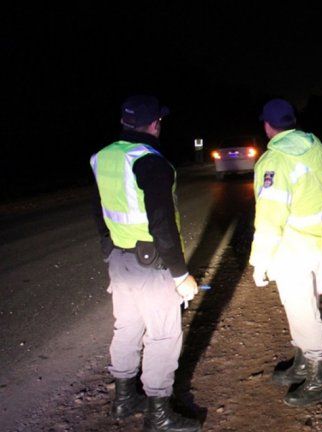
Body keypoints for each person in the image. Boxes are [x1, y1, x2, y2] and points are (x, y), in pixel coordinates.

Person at [90, 95, 201, 432]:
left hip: (120, 260)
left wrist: (109, 249)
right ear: (154, 124)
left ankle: (124, 399)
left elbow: (99, 209)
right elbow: (161, 222)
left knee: (127, 327)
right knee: (163, 336)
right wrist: (180, 274)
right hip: (151, 265)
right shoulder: (150, 160)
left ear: (125, 122)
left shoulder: (102, 156)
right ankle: (158, 414)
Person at [250, 98, 322, 407]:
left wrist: (260, 261)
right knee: (299, 307)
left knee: (303, 312)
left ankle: (318, 378)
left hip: (291, 249)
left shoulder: (275, 161)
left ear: (267, 126)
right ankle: (303, 363)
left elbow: (269, 217)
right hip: (313, 240)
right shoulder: (314, 147)